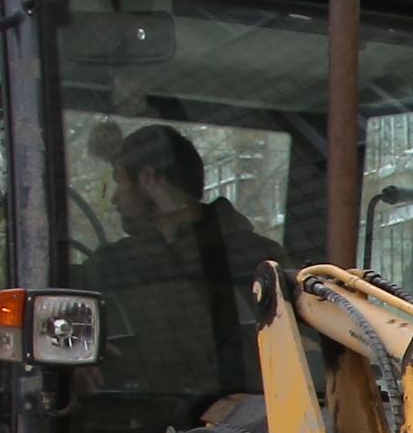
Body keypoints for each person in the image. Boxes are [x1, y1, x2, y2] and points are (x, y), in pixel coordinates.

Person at [81, 125, 279, 412]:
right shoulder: (116, 263)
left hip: (240, 425)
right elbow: (55, 301)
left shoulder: (259, 261)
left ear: (148, 179)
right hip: (139, 419)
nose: (115, 198)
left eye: (120, 182)